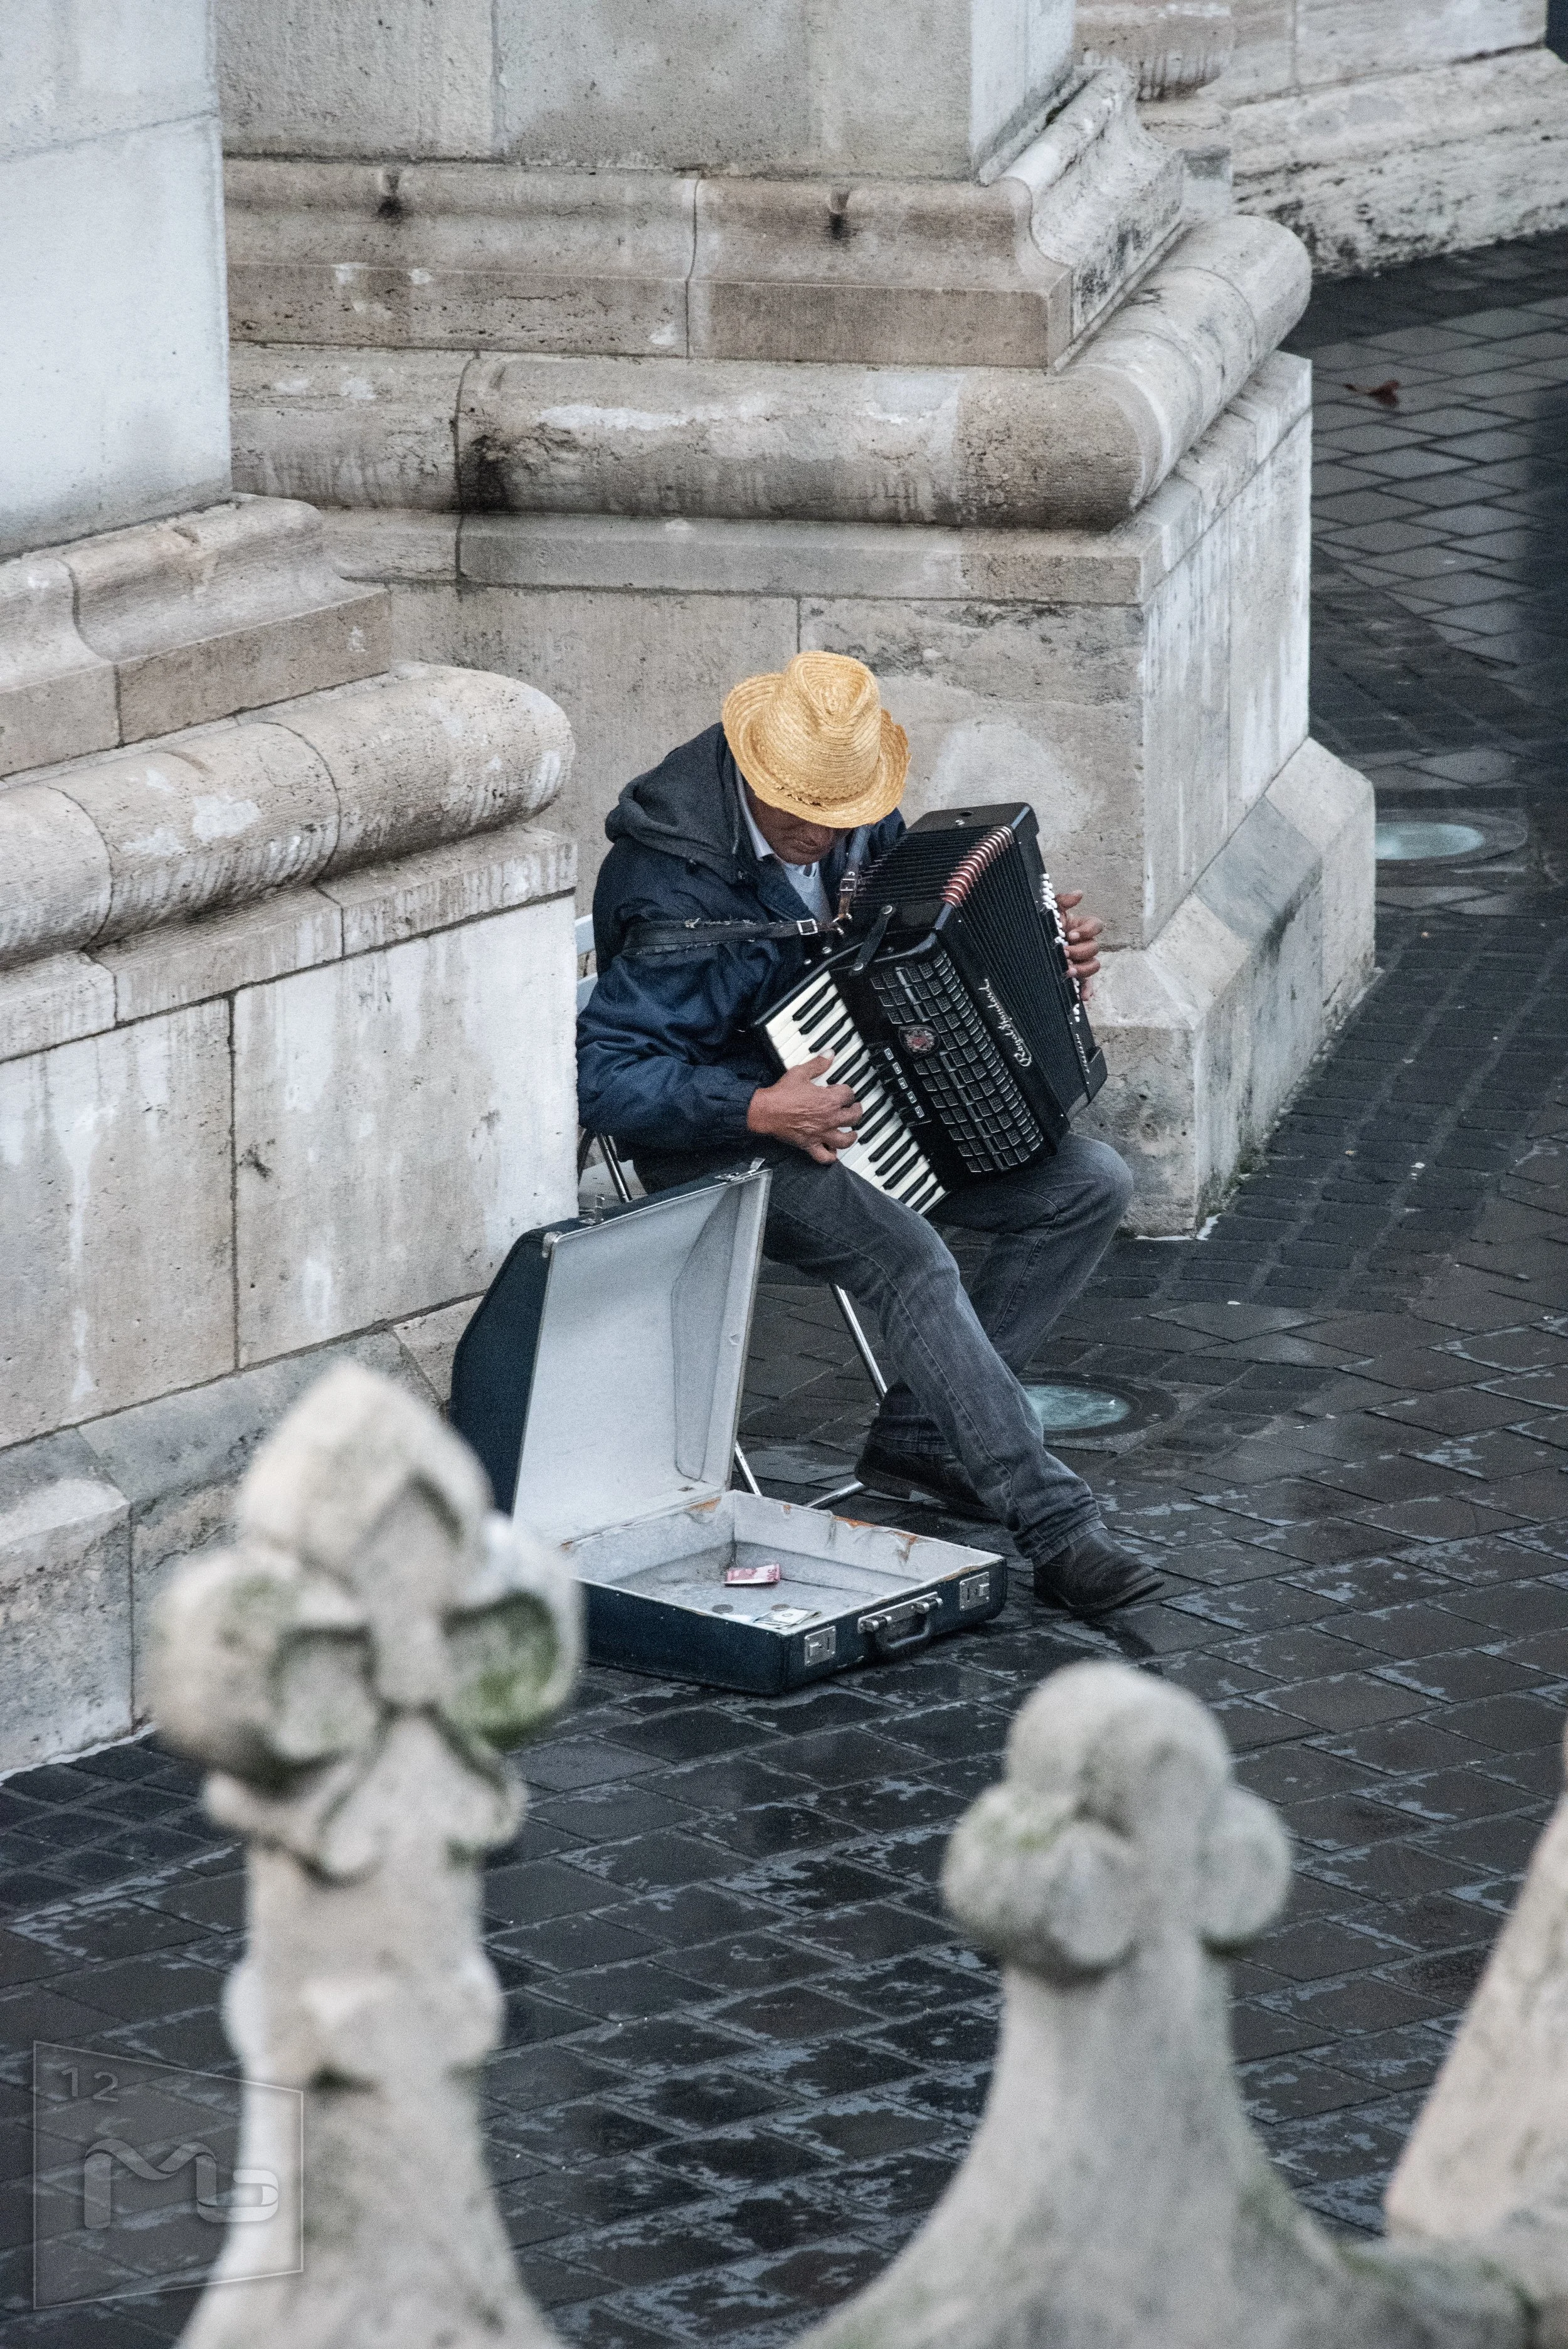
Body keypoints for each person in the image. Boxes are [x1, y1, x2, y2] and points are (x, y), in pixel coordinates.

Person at [577, 651, 1160, 1618]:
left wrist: (1047, 957)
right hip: (724, 1142)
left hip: (860, 1109)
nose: (821, 834)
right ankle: (1058, 1529)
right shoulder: (668, 879)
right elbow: (604, 1081)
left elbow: (910, 952)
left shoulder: (858, 827)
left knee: (1088, 1183)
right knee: (910, 1258)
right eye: (800, 809)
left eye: (840, 811)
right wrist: (757, 1108)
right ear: (755, 770)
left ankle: (923, 1439)